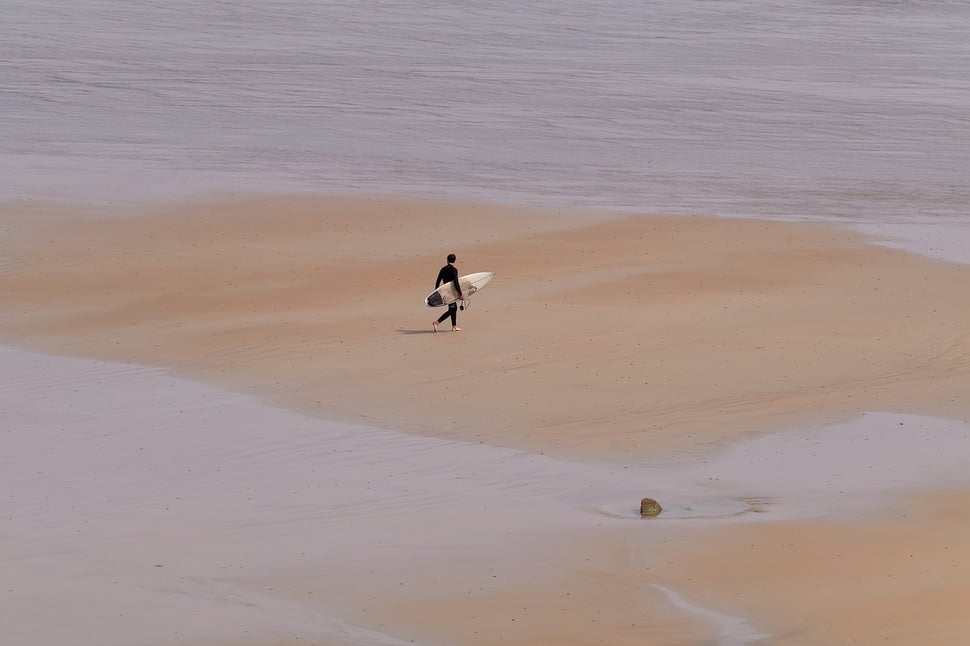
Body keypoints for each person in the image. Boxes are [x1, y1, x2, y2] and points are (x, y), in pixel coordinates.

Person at [433, 253, 462, 332]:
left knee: (453, 308)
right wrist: (460, 293)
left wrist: (436, 292)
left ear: (447, 260)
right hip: (451, 292)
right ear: (454, 260)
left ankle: (454, 326)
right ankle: (437, 322)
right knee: (452, 310)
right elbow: (456, 283)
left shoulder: (443, 269)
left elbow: (438, 281)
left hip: (445, 291)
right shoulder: (454, 270)